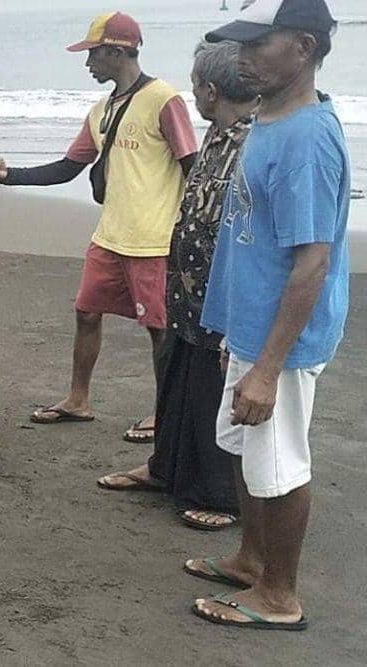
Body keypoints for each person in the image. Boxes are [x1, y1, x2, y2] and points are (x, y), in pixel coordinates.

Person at [187, 0, 348, 631]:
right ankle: (251, 559)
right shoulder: (269, 117)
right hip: (251, 324)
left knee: (280, 463)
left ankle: (280, 596)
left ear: (303, 47)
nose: (242, 58)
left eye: (258, 44)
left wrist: (268, 368)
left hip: (283, 340)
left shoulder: (307, 139)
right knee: (243, 445)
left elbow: (312, 262)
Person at [0, 11, 197, 443]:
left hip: (153, 240)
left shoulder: (164, 99)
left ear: (117, 52)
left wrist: (191, 231)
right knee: (86, 312)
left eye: (93, 54)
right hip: (110, 235)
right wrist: (10, 175)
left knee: (159, 328)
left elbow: (192, 165)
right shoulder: (101, 110)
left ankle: (164, 412)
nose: (87, 64)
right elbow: (68, 168)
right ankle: (77, 399)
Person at [98, 41, 258, 531]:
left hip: (221, 293)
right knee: (176, 379)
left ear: (211, 90)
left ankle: (218, 495)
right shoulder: (218, 132)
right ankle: (164, 468)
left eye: (195, 86)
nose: (193, 94)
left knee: (211, 392)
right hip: (187, 289)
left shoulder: (254, 139)